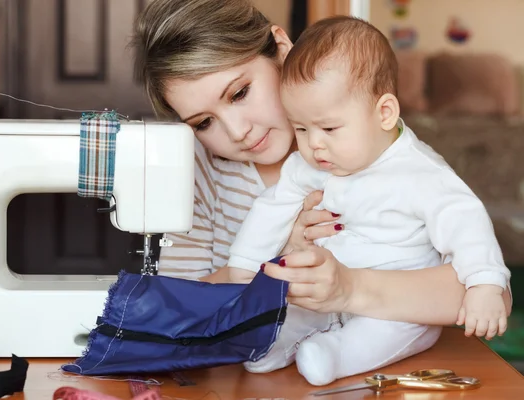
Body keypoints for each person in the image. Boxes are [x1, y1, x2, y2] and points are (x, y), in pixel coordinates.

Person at [131, 0, 512, 346]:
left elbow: (489, 291)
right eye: (203, 122)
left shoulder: (370, 150)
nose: (236, 131)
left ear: (281, 47)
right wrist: (276, 258)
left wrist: (349, 288)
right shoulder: (199, 173)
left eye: (239, 93)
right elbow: (172, 307)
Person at [225, 16, 510, 386]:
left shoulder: (420, 174)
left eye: (328, 128)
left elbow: (466, 223)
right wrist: (244, 267)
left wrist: (485, 284)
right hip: (328, 294)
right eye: (301, 128)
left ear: (384, 113)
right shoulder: (310, 163)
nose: (313, 144)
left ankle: (335, 356)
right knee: (291, 313)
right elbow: (272, 207)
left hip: (396, 305)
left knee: (382, 333)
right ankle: (279, 343)